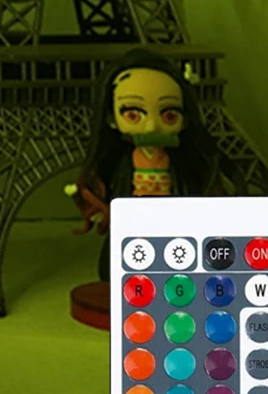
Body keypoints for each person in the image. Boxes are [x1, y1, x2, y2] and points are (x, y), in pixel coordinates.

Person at [72, 46, 234, 280]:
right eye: (133, 115)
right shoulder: (121, 164)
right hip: (134, 218)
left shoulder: (180, 164)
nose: (151, 127)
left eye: (169, 115)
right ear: (110, 118)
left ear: (185, 119)